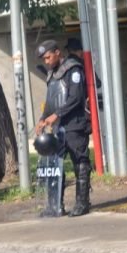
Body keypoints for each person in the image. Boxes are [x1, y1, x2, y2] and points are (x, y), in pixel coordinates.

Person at [35, 39, 92, 217]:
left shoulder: (73, 69)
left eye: (48, 57)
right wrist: (43, 119)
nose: (47, 61)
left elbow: (75, 98)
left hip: (74, 125)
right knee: (54, 165)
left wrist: (56, 115)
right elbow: (51, 101)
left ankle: (82, 203)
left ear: (57, 52)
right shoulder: (52, 74)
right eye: (44, 59)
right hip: (57, 128)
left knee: (80, 163)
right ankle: (55, 205)